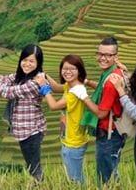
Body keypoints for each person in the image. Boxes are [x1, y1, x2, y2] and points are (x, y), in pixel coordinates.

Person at [0, 44, 48, 181]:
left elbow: (7, 92)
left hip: (31, 131)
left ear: (38, 63)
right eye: (25, 60)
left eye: (32, 61)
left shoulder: (36, 82)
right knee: (32, 167)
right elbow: (0, 79)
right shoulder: (20, 77)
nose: (27, 64)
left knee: (34, 169)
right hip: (23, 131)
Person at [77, 37, 125, 184]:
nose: (102, 58)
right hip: (116, 131)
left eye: (108, 55)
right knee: (112, 171)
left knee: (105, 177)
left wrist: (84, 96)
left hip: (108, 135)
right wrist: (87, 82)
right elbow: (102, 87)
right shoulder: (115, 72)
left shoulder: (111, 81)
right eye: (100, 54)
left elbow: (101, 113)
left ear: (115, 57)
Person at [41, 55, 90, 184]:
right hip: (72, 138)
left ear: (79, 70)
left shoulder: (75, 92)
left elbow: (53, 106)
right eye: (64, 68)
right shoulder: (71, 85)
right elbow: (57, 87)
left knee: (76, 180)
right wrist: (44, 75)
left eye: (72, 68)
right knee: (74, 178)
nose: (67, 71)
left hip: (74, 143)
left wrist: (44, 88)